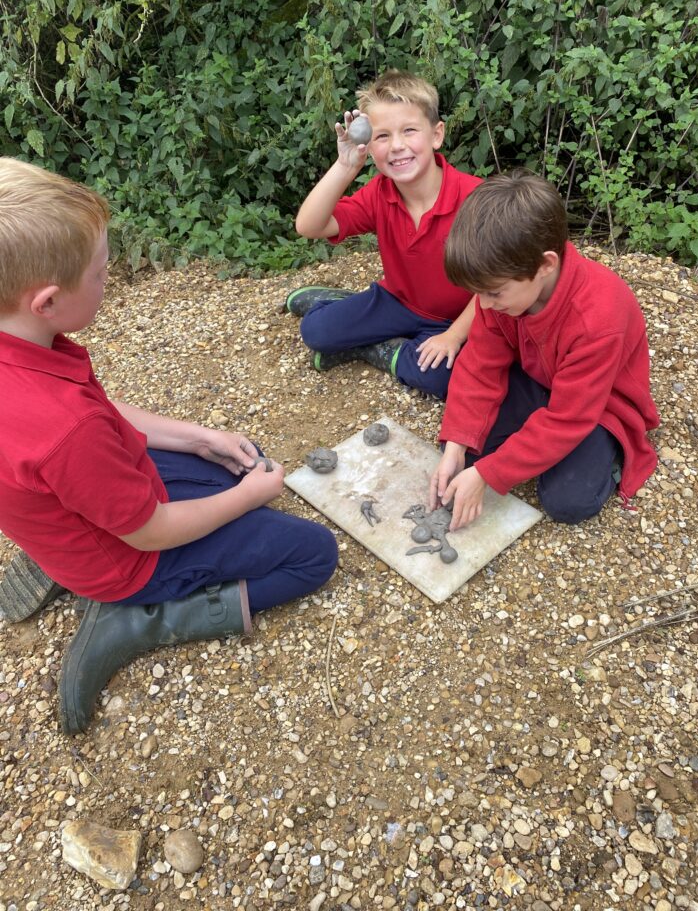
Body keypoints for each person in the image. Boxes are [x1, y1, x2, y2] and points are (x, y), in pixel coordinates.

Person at [0, 157, 337, 734]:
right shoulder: (66, 431)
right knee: (314, 554)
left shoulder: (28, 349)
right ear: (47, 301)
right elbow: (149, 530)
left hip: (89, 497)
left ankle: (64, 547)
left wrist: (198, 437)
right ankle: (140, 621)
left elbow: (99, 415)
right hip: (126, 559)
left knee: (233, 466)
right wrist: (251, 498)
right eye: (103, 274)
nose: (108, 281)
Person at [430, 169, 659, 529]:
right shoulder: (503, 294)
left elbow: (569, 417)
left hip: (599, 407)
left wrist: (487, 476)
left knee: (568, 502)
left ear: (546, 264)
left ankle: (611, 451)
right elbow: (479, 366)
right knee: (463, 452)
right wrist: (457, 444)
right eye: (480, 293)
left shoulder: (598, 317)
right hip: (539, 379)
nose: (484, 307)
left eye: (494, 292)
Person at [284, 69, 482, 400]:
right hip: (397, 302)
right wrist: (346, 167)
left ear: (436, 135)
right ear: (369, 146)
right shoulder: (380, 193)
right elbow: (309, 226)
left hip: (458, 317)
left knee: (443, 380)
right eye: (382, 136)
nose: (397, 146)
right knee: (315, 331)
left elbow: (499, 286)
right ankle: (335, 303)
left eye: (409, 131)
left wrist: (455, 336)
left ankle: (376, 349)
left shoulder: (475, 199)